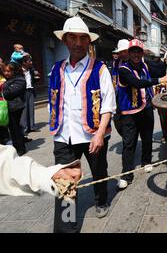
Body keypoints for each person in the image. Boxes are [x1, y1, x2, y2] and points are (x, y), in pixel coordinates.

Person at [50, 16, 116, 232]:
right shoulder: (56, 69)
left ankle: (101, 199)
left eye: (82, 38)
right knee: (65, 184)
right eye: (72, 38)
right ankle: (66, 227)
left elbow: (108, 105)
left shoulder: (100, 69)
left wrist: (99, 134)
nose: (77, 43)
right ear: (65, 41)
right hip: (63, 135)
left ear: (89, 42)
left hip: (92, 134)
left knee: (99, 171)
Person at [117, 39, 167, 190]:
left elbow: (160, 68)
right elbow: (137, 83)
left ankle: (146, 161)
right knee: (129, 144)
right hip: (129, 113)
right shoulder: (123, 69)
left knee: (147, 138)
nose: (135, 54)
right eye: (133, 51)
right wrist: (160, 80)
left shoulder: (145, 66)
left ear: (142, 54)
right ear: (128, 53)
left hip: (146, 108)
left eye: (138, 51)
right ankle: (126, 175)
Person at [0, 144, 81, 197]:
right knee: (66, 198)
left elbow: (6, 165)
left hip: (89, 137)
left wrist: (43, 175)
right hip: (62, 137)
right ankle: (67, 222)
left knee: (66, 184)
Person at [1, 62, 26, 156]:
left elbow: (10, 93)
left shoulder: (20, 80)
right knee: (11, 129)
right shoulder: (7, 80)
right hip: (6, 107)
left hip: (15, 108)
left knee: (15, 129)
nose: (6, 73)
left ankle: (20, 148)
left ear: (14, 71)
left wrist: (2, 88)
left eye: (9, 71)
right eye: (5, 71)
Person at [20, 53, 40, 135]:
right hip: (23, 92)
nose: (31, 62)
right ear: (24, 63)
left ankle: (32, 127)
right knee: (24, 110)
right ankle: (24, 128)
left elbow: (34, 79)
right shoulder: (19, 71)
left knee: (31, 109)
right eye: (29, 61)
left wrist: (37, 77)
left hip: (31, 91)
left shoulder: (31, 70)